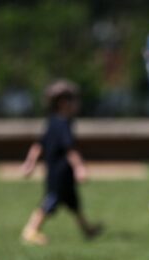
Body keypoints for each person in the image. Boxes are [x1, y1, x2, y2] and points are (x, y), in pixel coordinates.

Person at [21, 80, 102, 246]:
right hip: (59, 173)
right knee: (50, 201)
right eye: (74, 101)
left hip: (60, 172)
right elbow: (70, 149)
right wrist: (80, 168)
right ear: (64, 103)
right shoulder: (63, 123)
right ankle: (30, 230)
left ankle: (87, 230)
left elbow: (38, 145)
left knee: (74, 203)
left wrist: (30, 163)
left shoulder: (53, 121)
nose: (77, 104)